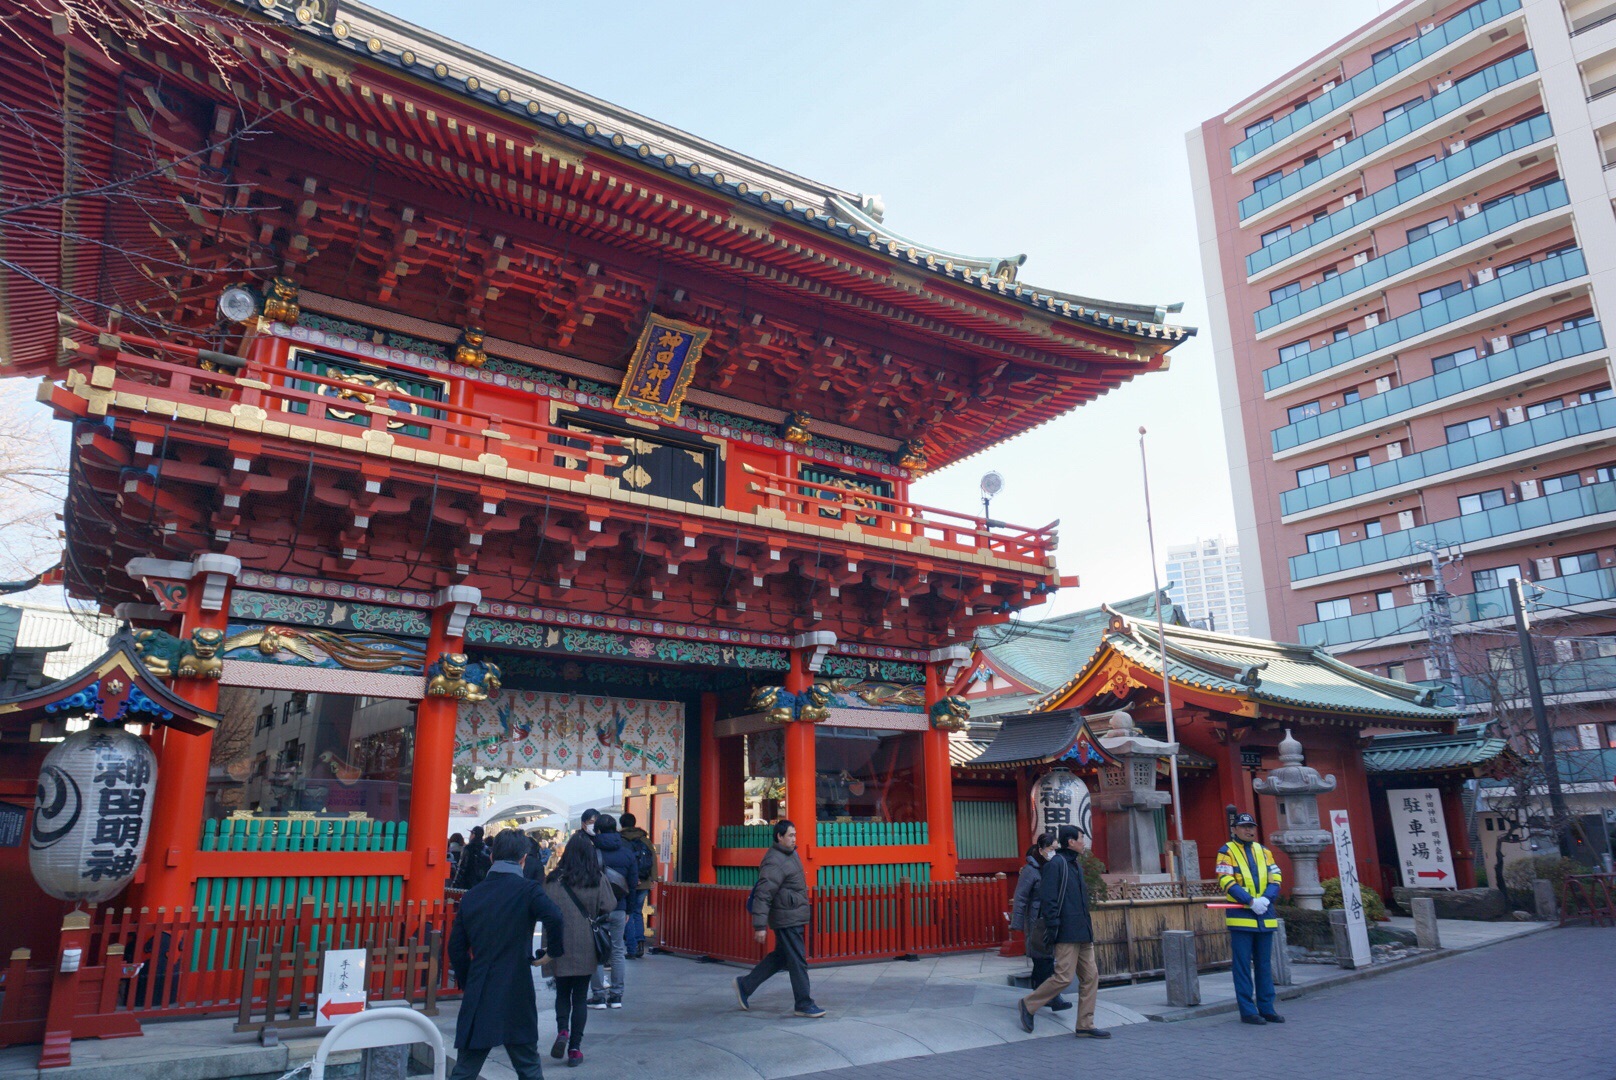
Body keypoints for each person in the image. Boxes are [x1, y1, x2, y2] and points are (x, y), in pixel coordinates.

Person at [446, 828, 566, 1080]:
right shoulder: (529, 890)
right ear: (523, 859)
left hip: (481, 987)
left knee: (466, 1069)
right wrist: (551, 952)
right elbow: (555, 917)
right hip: (516, 985)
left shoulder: (472, 897)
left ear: (491, 858)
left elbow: (456, 948)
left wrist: (471, 980)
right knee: (528, 1066)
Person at [1017, 825, 1108, 1039]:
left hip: (1083, 930)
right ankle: (1028, 1004)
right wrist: (1053, 926)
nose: (1084, 842)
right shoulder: (1056, 865)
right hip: (1066, 930)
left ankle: (1085, 1024)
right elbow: (1048, 899)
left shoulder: (1075, 865)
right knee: (1064, 977)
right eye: (1081, 838)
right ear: (1070, 842)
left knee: (1091, 976)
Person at [734, 819, 824, 1018]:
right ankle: (803, 1003)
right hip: (786, 917)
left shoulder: (791, 854)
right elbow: (764, 893)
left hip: (792, 913)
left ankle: (745, 985)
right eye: (790, 835)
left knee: (781, 957)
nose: (794, 839)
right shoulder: (774, 860)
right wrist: (760, 925)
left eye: (795, 835)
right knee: (798, 960)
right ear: (779, 837)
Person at [544, 832, 615, 1068]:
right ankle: (575, 1048)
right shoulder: (596, 878)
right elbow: (609, 905)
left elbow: (543, 906)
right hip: (585, 942)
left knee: (562, 992)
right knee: (580, 998)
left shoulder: (553, 879)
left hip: (558, 942)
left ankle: (562, 1030)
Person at [1217, 811, 1285, 1026]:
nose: (1249, 830)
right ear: (1234, 829)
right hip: (1241, 916)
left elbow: (1276, 876)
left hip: (1265, 914)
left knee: (1265, 965)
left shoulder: (1264, 851)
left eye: (1252, 827)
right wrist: (1250, 901)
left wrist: (1266, 899)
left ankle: (1267, 1008)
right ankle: (1247, 1010)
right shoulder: (1226, 851)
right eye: (1244, 826)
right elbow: (1225, 879)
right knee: (1243, 966)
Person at [1010, 831, 1071, 1013]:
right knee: (1043, 959)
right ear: (1041, 849)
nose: (1054, 852)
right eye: (1051, 848)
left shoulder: (1054, 867)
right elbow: (1020, 898)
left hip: (1052, 918)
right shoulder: (1031, 870)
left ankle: (1039, 994)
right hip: (1037, 921)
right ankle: (1050, 997)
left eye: (1056, 849)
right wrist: (1017, 923)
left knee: (1044, 960)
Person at [586, 813, 638, 1009]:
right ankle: (616, 995)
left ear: (597, 830)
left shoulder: (591, 852)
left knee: (595, 951)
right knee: (617, 950)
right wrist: (629, 910)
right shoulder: (627, 852)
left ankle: (598, 995)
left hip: (595, 909)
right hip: (619, 906)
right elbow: (632, 884)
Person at [618, 812, 657, 959]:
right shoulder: (644, 839)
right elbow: (652, 858)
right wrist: (653, 879)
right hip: (645, 881)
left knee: (628, 913)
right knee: (637, 912)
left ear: (622, 824)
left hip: (628, 882)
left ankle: (632, 946)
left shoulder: (620, 840)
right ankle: (641, 942)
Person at [454, 825, 491, 891]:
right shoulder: (487, 850)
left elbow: (462, 867)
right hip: (481, 885)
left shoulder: (468, 848)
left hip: (467, 884)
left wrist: (455, 884)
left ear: (473, 834)